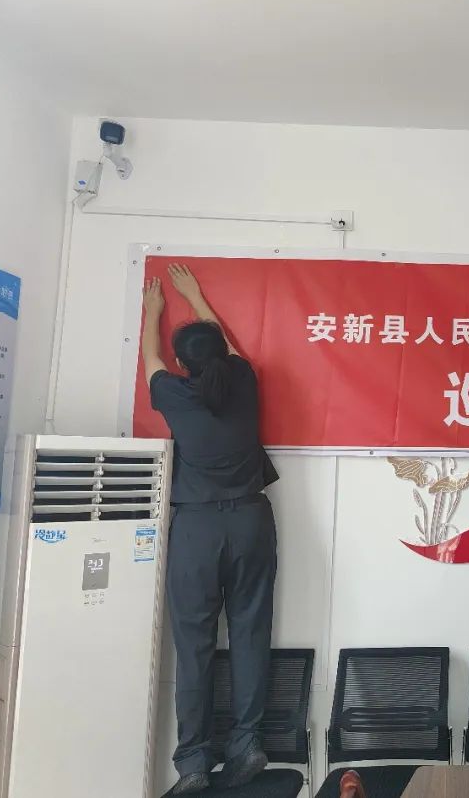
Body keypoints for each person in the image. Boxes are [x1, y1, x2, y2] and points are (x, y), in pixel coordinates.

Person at [142, 264, 279, 794]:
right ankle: (246, 745)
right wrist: (195, 296)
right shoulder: (243, 380)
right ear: (222, 353)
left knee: (194, 642)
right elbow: (223, 346)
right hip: (251, 521)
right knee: (250, 632)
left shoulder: (175, 395)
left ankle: (195, 762)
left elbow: (152, 360)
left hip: (198, 528)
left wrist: (154, 312)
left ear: (184, 365)